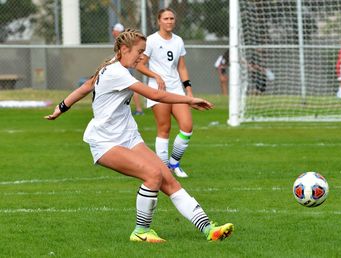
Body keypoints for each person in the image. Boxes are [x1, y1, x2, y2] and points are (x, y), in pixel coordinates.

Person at [45, 29, 233, 243]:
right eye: (140, 51)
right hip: (105, 142)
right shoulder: (117, 71)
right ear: (124, 49)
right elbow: (154, 94)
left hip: (129, 137)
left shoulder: (112, 65)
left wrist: (62, 107)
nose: (142, 57)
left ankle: (209, 229)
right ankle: (141, 232)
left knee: (168, 179)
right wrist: (189, 100)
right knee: (152, 175)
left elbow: (86, 87)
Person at [136, 8, 194, 178]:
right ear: (159, 21)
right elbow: (139, 65)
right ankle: (163, 168)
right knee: (164, 128)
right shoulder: (151, 41)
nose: (169, 21)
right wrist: (156, 76)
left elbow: (181, 67)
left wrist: (188, 91)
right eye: (166, 18)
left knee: (187, 127)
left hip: (176, 89)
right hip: (158, 90)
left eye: (172, 18)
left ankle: (174, 163)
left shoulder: (178, 41)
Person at [113, 23, 144, 114]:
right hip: (121, 67)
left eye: (114, 30)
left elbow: (155, 95)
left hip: (125, 68)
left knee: (133, 87)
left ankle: (139, 109)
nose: (113, 32)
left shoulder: (124, 43)